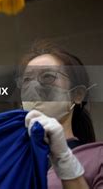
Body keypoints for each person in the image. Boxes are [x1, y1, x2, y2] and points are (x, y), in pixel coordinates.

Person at [17, 40, 102, 188]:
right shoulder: (13, 163)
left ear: (77, 95)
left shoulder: (98, 157)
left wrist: (64, 160)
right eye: (27, 80)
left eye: (48, 77)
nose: (34, 87)